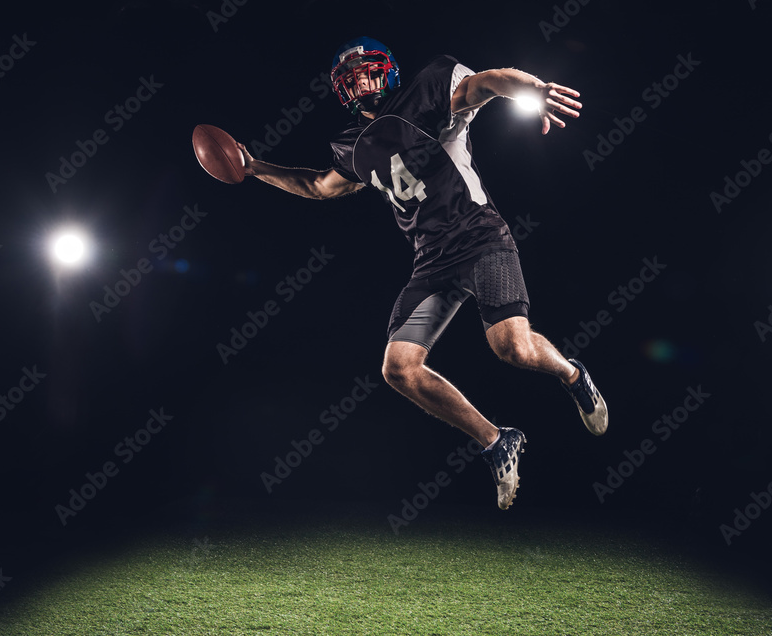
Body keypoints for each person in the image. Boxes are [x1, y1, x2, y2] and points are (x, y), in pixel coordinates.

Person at [237, 36, 607, 510]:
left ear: (386, 70)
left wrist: (533, 88)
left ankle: (572, 375)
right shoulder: (351, 146)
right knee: (398, 369)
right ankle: (496, 441)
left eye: (367, 71)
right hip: (431, 258)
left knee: (511, 347)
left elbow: (490, 83)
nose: (361, 83)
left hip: (479, 237)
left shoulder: (430, 88)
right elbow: (317, 185)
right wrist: (255, 168)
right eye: (351, 79)